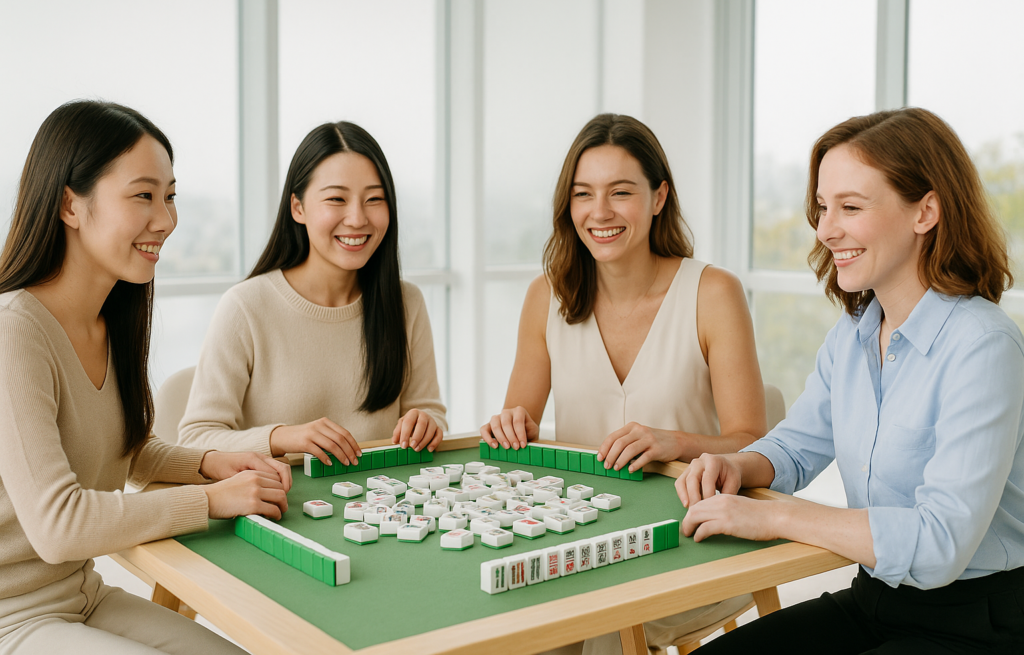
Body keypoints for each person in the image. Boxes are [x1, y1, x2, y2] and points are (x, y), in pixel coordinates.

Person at [680, 108, 1024, 654]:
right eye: (822, 207)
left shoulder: (984, 346)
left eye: (851, 207)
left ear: (925, 212)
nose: (825, 229)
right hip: (874, 598)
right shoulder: (854, 332)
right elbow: (797, 446)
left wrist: (775, 516)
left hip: (978, 624)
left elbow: (939, 544)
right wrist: (737, 465)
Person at [0, 100, 292, 654]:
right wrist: (212, 501)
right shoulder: (14, 330)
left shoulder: (107, 319)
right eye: (143, 195)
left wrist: (207, 463)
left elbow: (120, 448)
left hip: (80, 594)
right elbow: (58, 525)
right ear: (69, 204)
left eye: (170, 196)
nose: (166, 219)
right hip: (11, 619)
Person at [481, 113, 768, 653]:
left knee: (595, 627)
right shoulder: (546, 297)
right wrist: (510, 425)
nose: (600, 212)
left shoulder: (713, 293)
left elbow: (753, 442)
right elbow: (517, 430)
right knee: (510, 622)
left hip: (690, 538)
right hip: (576, 539)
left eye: (620, 192)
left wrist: (674, 442)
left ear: (659, 197)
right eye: (583, 194)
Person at [178, 121, 446, 465]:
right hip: (281, 496)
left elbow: (431, 414)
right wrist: (283, 437)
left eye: (374, 199)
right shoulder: (245, 306)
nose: (357, 218)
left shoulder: (406, 302)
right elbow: (195, 439)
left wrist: (426, 424)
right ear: (298, 208)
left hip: (382, 496)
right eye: (336, 199)